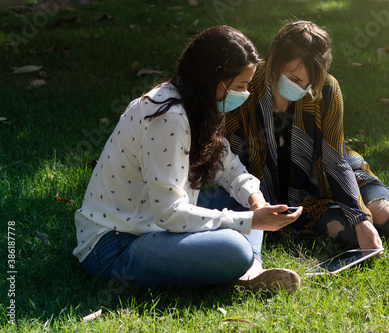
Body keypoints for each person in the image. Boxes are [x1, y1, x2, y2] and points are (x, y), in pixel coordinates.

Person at [73, 25, 303, 293]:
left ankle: (250, 272)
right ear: (214, 78)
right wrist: (251, 222)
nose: (245, 94)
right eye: (240, 86)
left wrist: (255, 200)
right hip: (117, 245)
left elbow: (227, 165)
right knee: (236, 248)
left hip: (152, 224)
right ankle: (241, 264)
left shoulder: (195, 104)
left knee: (240, 199)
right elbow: (170, 214)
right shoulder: (169, 117)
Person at [225, 21, 389, 250]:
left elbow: (335, 161)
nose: (300, 89)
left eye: (308, 83)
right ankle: (378, 201)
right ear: (275, 63)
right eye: (295, 78)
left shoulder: (327, 89)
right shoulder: (247, 87)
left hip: (335, 173)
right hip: (284, 196)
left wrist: (360, 217)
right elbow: (234, 155)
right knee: (351, 237)